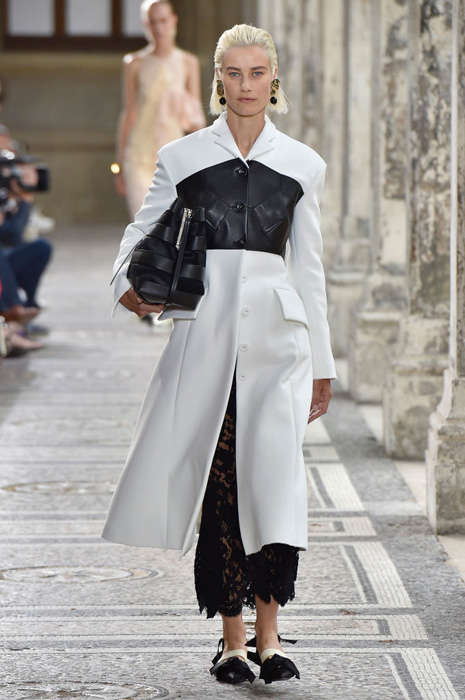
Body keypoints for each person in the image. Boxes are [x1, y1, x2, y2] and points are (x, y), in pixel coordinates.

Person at [103, 23, 336, 685]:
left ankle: (270, 637)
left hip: (280, 343)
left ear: (273, 78)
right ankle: (233, 641)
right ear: (218, 79)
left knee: (273, 482)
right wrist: (125, 286)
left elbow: (309, 268)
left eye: (257, 72)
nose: (246, 84)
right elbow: (140, 233)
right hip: (205, 338)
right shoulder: (181, 157)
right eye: (234, 73)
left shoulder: (303, 163)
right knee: (223, 483)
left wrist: (322, 363)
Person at [113, 0, 206, 217]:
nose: (158, 28)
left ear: (174, 20)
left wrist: (200, 163)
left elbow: (196, 118)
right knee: (143, 222)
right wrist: (119, 165)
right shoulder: (134, 63)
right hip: (138, 155)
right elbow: (129, 113)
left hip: (172, 156)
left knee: (169, 223)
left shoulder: (188, 62)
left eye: (163, 21)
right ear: (145, 24)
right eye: (152, 22)